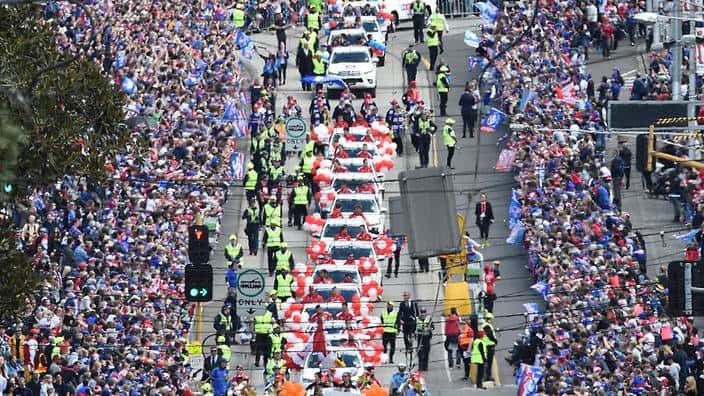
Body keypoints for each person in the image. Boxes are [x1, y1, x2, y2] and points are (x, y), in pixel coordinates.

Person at [482, 314, 497, 382]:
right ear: (488, 319)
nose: (491, 321)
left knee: (485, 362)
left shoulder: (484, 325)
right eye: (491, 319)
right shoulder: (486, 325)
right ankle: (488, 377)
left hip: (486, 345)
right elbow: (490, 335)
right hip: (489, 346)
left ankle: (486, 376)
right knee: (489, 362)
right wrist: (495, 340)